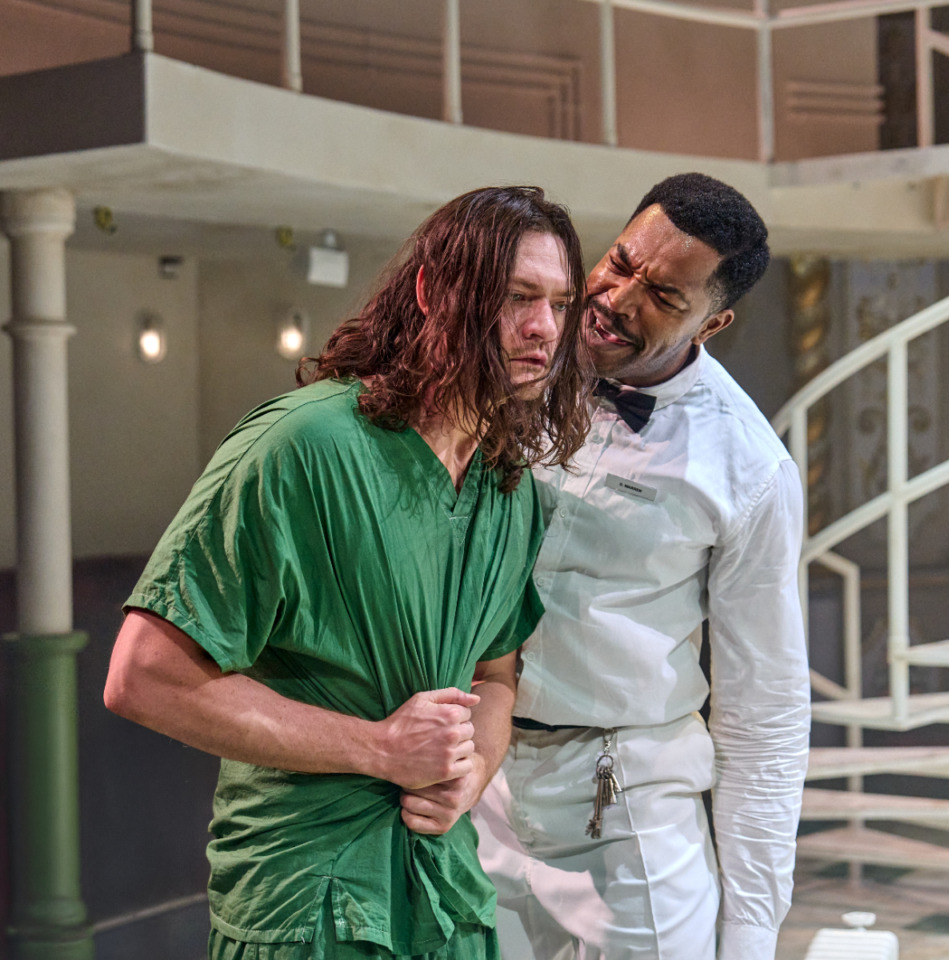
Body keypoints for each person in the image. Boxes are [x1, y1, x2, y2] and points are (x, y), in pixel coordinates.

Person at [103, 185, 593, 960]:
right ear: (432, 293)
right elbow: (143, 675)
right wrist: (377, 748)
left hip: (444, 897)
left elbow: (497, 674)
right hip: (307, 903)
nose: (545, 328)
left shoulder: (508, 489)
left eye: (561, 304)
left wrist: (472, 773)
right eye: (516, 297)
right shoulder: (303, 447)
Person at [403, 173, 810, 960]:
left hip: (625, 807)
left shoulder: (750, 468)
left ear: (713, 322)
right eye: (620, 262)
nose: (617, 298)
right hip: (474, 781)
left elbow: (765, 711)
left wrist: (752, 931)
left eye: (663, 295)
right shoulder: (510, 372)